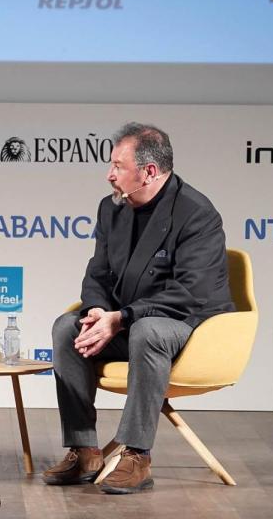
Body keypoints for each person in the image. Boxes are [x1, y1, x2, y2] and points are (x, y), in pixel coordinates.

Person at [42, 122, 234, 494]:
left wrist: (122, 317)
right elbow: (97, 273)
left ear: (148, 172)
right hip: (124, 320)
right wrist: (98, 312)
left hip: (185, 326)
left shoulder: (197, 214)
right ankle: (84, 450)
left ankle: (136, 456)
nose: (109, 174)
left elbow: (190, 291)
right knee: (67, 328)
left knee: (148, 330)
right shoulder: (111, 208)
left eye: (118, 166)